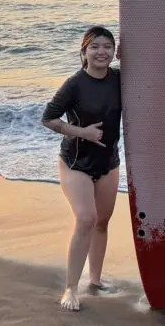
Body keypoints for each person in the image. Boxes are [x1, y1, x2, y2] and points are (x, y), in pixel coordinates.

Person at [41, 26, 122, 311]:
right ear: (84, 52)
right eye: (95, 47)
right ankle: (71, 289)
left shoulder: (120, 79)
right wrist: (81, 132)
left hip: (109, 163)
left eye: (108, 46)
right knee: (86, 218)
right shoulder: (75, 84)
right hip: (76, 163)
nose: (102, 52)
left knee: (102, 222)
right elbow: (48, 118)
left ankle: (96, 280)